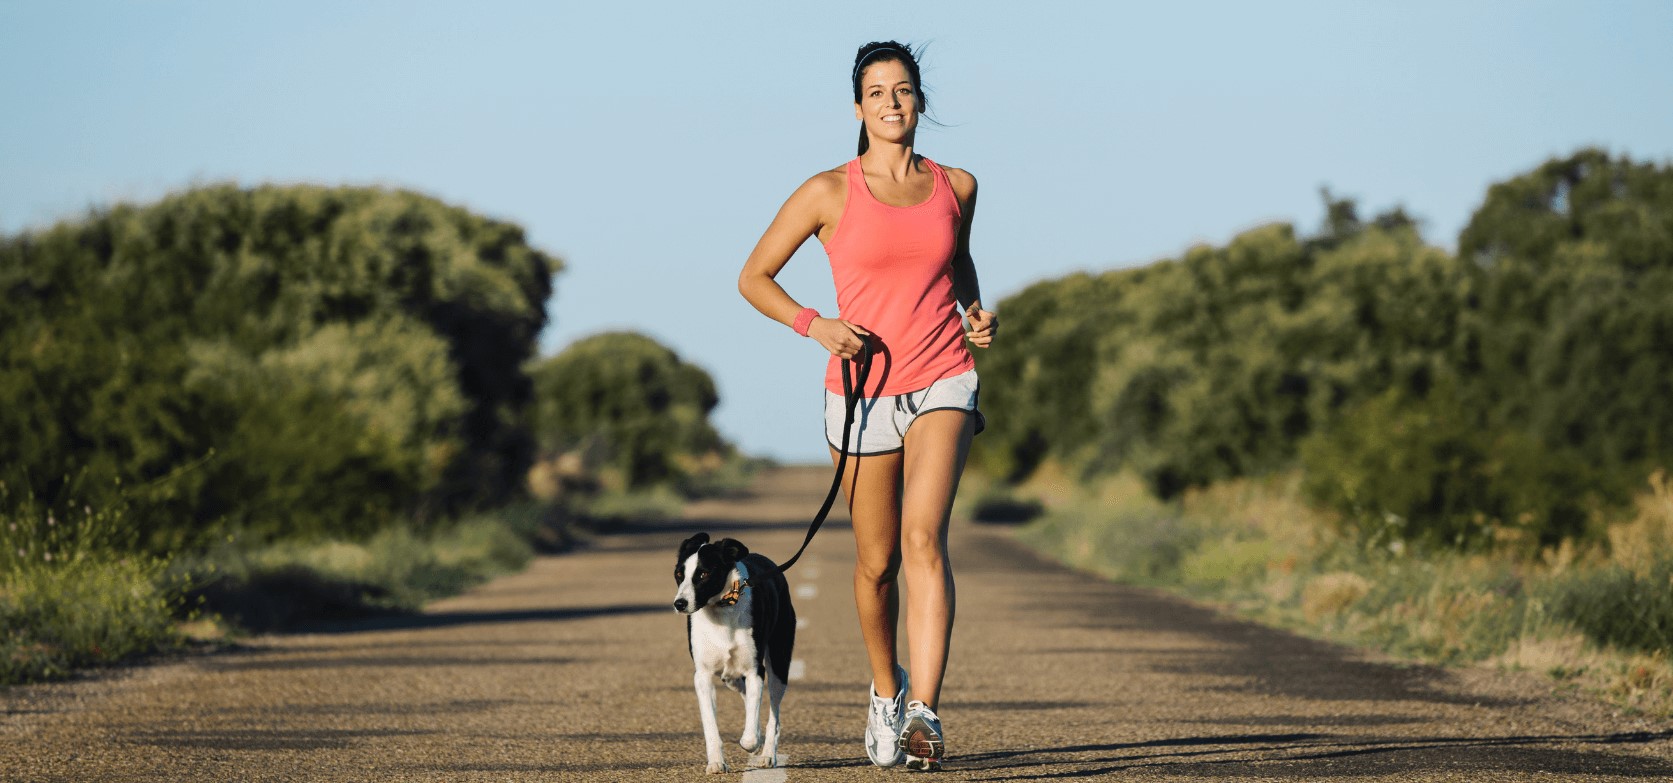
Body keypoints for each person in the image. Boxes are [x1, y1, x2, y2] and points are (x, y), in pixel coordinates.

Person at [737, 40, 997, 772]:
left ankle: (925, 712)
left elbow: (956, 261)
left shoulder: (958, 184)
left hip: (943, 375)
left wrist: (976, 312)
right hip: (859, 394)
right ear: (858, 108)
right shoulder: (827, 191)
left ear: (919, 102)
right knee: (876, 561)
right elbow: (753, 277)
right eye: (876, 92)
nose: (891, 102)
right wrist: (813, 323)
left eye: (903, 89)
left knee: (924, 540)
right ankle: (886, 690)